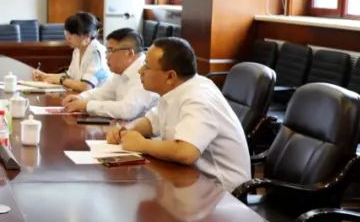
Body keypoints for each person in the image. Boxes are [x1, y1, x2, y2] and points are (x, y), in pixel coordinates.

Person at [105, 37, 251, 192]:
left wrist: (142, 144)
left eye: (146, 66)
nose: (140, 71)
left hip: (222, 193)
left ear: (170, 77)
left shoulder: (198, 98)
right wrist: (126, 129)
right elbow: (152, 121)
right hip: (191, 180)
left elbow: (186, 152)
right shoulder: (177, 89)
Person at [62, 28, 157, 120]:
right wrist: (80, 98)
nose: (106, 56)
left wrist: (86, 105)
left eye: (111, 50)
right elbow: (103, 92)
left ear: (129, 53)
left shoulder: (144, 73)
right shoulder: (121, 71)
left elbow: (126, 110)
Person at [33, 12, 110, 92]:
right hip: (81, 96)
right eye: (66, 33)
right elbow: (70, 76)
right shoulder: (77, 50)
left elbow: (86, 86)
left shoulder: (96, 52)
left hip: (98, 98)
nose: (67, 38)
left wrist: (61, 80)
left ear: (86, 35)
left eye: (71, 35)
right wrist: (45, 76)